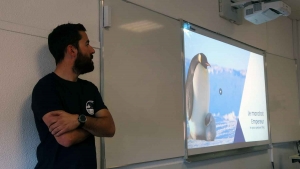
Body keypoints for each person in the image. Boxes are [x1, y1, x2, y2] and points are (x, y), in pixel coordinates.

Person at [31, 23, 115, 169]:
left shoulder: (89, 88)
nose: (92, 50)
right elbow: (66, 138)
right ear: (72, 50)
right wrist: (94, 124)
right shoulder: (45, 88)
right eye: (87, 44)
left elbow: (110, 128)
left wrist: (79, 120)